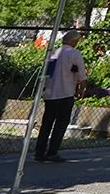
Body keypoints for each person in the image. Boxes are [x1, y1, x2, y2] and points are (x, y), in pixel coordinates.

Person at [35, 31, 85, 162]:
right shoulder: (75, 53)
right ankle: (52, 152)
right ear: (74, 41)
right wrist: (81, 90)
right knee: (61, 124)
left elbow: (47, 73)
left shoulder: (53, 53)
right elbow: (81, 75)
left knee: (46, 124)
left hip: (51, 94)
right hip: (66, 92)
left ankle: (39, 151)